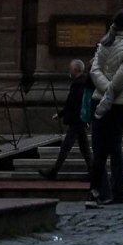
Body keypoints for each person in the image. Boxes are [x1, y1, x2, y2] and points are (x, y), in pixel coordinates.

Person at [87, 11, 123, 206]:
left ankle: (94, 192)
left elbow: (95, 71)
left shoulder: (104, 44)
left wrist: (105, 94)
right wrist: (111, 93)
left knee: (101, 149)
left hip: (102, 101)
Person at [48, 58, 96, 191]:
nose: (69, 70)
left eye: (70, 68)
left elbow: (78, 104)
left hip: (77, 120)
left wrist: (85, 119)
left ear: (75, 70)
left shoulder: (80, 84)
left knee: (66, 146)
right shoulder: (79, 83)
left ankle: (54, 171)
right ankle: (92, 171)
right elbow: (73, 102)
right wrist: (61, 114)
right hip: (79, 119)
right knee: (84, 147)